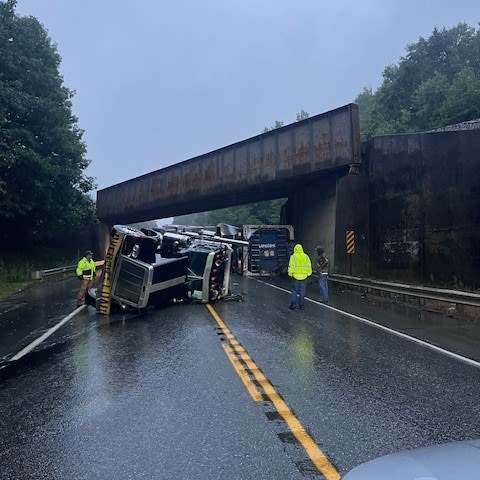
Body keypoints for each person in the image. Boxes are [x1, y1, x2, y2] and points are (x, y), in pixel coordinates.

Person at [287, 243, 312, 310]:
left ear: (295, 249)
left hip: (295, 276)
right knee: (302, 291)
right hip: (304, 276)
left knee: (294, 291)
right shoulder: (306, 256)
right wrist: (308, 273)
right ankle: (301, 305)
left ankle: (293, 305)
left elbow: (291, 266)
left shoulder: (293, 257)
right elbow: (309, 265)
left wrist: (290, 273)